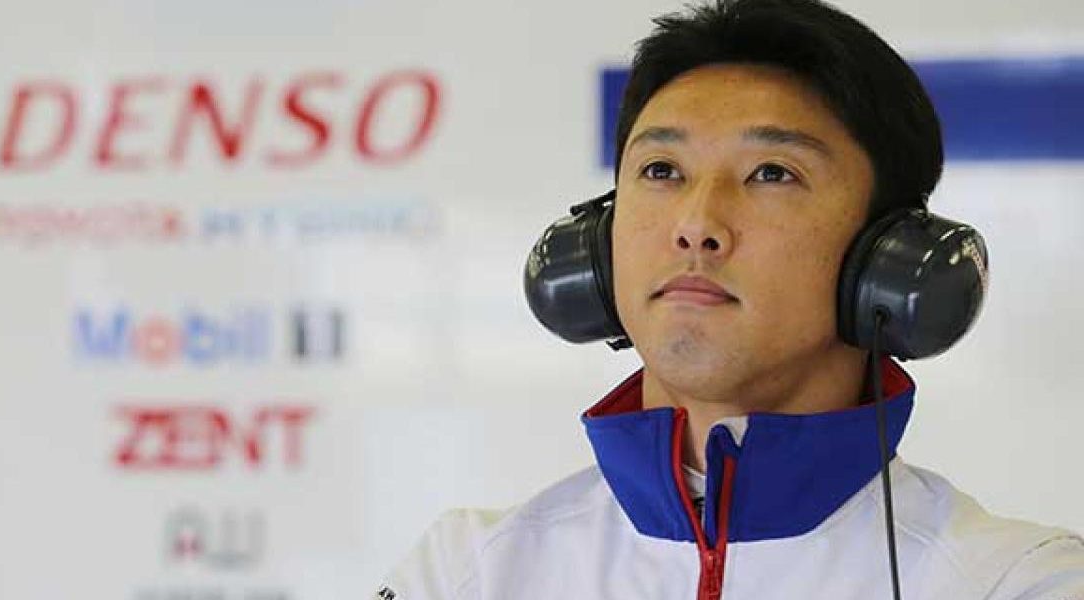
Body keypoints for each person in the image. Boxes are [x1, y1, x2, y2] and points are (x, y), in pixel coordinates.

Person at [376, 0, 1084, 598]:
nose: (696, 224)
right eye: (661, 170)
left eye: (771, 173)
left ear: (888, 258)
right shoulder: (467, 573)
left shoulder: (1014, 581)